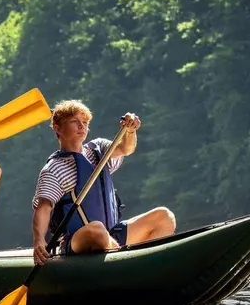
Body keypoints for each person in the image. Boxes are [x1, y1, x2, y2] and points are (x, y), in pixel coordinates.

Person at [31, 100, 175, 265]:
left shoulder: (99, 150)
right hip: (78, 241)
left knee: (164, 216)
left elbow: (125, 148)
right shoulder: (53, 169)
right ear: (57, 129)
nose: (82, 126)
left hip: (112, 234)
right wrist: (39, 240)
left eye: (85, 122)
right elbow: (43, 207)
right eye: (74, 121)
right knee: (97, 230)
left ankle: (146, 266)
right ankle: (123, 262)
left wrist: (129, 130)